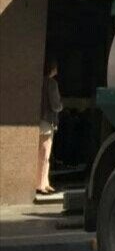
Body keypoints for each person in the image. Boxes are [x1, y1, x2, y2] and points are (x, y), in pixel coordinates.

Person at [38, 58, 62, 196]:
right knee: (45, 154)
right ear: (53, 69)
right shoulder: (52, 83)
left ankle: (45, 182)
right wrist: (61, 106)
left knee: (40, 153)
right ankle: (42, 184)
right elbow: (55, 105)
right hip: (48, 121)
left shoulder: (39, 81)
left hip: (38, 119)